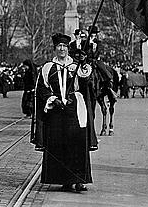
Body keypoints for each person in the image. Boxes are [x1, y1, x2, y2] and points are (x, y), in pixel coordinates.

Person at [35, 33, 93, 192]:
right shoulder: (48, 68)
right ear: (55, 49)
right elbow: (41, 88)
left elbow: (85, 80)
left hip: (73, 108)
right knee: (59, 145)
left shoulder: (75, 66)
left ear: (68, 49)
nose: (62, 49)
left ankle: (80, 180)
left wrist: (83, 62)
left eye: (65, 46)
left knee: (77, 144)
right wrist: (53, 99)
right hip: (56, 110)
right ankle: (64, 180)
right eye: (59, 46)